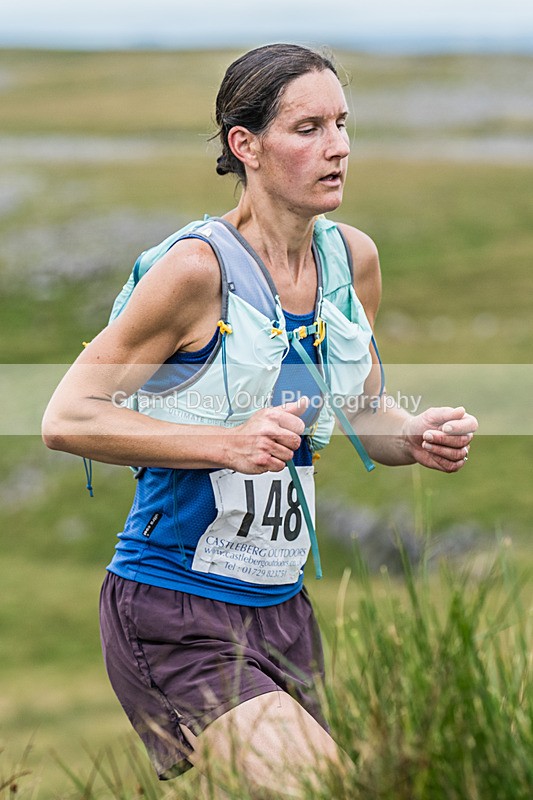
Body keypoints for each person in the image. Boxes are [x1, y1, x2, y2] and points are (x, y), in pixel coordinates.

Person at [42, 43, 478, 798]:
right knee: (325, 788)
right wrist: (226, 442)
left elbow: (365, 412)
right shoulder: (194, 270)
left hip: (283, 614)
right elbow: (66, 415)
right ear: (244, 145)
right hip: (173, 604)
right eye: (307, 128)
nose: (337, 146)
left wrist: (412, 435)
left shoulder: (352, 262)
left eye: (342, 124)